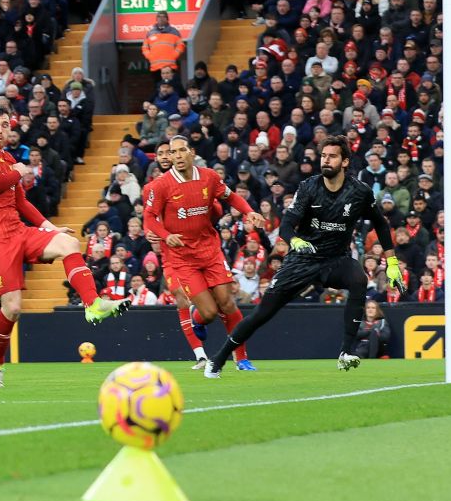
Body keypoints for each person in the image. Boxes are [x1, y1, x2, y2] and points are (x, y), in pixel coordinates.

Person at [205, 136, 405, 378]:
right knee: (262, 315)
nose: (326, 160)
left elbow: (381, 225)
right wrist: (296, 241)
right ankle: (218, 359)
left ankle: (345, 353)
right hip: (303, 259)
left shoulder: (359, 192)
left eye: (332, 156)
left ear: (344, 162)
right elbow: (288, 224)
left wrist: (392, 262)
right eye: (323, 156)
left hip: (335, 259)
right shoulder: (309, 187)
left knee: (358, 279)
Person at [0, 105, 130, 388]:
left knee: (68, 242)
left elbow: (20, 202)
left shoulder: (5, 157)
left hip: (17, 230)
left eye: (5, 124)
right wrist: (17, 171)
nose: (0, 129)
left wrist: (49, 227)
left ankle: (93, 304)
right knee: (13, 308)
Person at [143, 136, 265, 372]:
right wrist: (165, 235)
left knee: (228, 303)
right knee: (208, 313)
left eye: (181, 151)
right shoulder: (161, 185)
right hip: (182, 257)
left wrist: (249, 211)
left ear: (192, 152)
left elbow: (231, 197)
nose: (176, 156)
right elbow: (149, 218)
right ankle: (197, 319)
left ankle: (241, 359)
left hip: (210, 251)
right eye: (172, 152)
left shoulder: (209, 176)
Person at [142, 140, 209, 369]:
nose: (163, 157)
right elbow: (148, 218)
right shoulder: (152, 187)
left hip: (197, 248)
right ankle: (200, 354)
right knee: (180, 295)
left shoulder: (189, 180)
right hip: (170, 251)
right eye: (159, 154)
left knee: (209, 300)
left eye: (166, 153)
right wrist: (151, 235)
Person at [141, 11, 186, 86]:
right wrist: (150, 56)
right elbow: (145, 47)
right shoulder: (150, 33)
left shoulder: (174, 31)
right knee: (158, 89)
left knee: (172, 87)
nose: (161, 19)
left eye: (163, 17)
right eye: (159, 17)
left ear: (167, 19)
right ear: (156, 19)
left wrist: (174, 55)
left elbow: (181, 45)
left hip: (170, 66)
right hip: (155, 67)